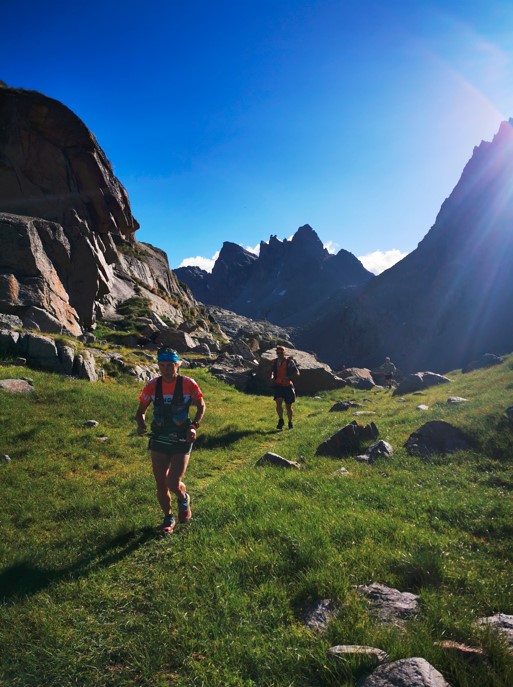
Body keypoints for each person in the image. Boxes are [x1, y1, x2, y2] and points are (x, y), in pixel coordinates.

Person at [135, 347, 206, 533]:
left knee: (173, 482)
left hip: (182, 439)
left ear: (177, 365)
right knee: (161, 483)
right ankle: (168, 518)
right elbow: (141, 411)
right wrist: (141, 424)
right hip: (159, 438)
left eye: (170, 365)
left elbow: (201, 406)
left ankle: (183, 498)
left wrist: (194, 426)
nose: (166, 370)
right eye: (162, 365)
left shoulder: (188, 384)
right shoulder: (152, 385)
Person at [270, 345, 300, 429]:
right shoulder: (274, 362)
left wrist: (289, 377)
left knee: (288, 406)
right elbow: (272, 371)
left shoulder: (289, 362)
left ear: (284, 353)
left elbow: (297, 372)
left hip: (287, 386)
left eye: (281, 353)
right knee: (278, 403)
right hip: (278, 385)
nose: (279, 354)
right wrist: (271, 377)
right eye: (278, 353)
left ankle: (290, 422)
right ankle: (281, 420)